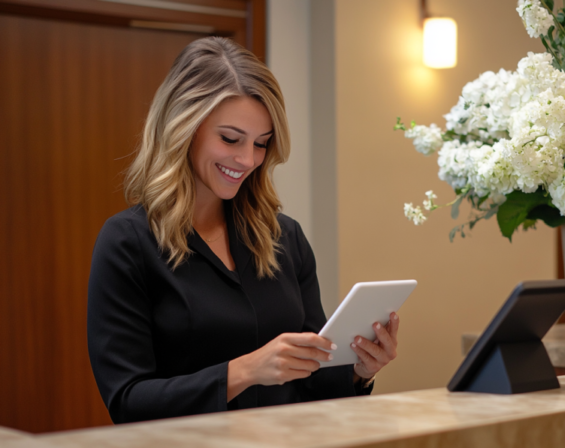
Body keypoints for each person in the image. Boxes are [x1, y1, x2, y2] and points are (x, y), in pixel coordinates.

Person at [87, 37, 399, 424]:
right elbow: (128, 402)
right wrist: (244, 371)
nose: (247, 159)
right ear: (183, 127)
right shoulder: (127, 242)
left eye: (261, 144)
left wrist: (358, 371)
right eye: (230, 139)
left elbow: (312, 382)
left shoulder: (285, 238)